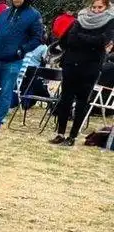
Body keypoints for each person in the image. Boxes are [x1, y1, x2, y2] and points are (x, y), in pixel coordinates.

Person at [50, 0, 114, 146]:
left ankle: (72, 136)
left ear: (106, 7)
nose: (96, 10)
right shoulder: (80, 18)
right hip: (71, 64)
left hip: (90, 67)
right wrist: (89, 41)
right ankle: (60, 133)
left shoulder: (110, 22)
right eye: (94, 7)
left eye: (100, 7)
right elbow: (68, 40)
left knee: (82, 102)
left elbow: (102, 41)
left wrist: (82, 39)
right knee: (65, 99)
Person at [0, 0, 44, 133]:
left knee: (6, 93)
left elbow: (37, 38)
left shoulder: (34, 15)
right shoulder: (4, 13)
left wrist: (21, 50)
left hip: (13, 60)